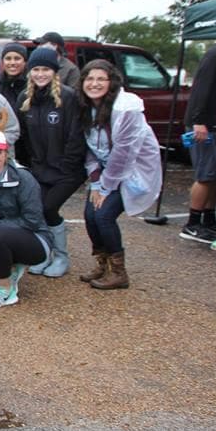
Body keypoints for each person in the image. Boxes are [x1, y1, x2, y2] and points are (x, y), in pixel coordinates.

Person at [79, 59, 161, 289]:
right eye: (90, 78)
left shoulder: (125, 108)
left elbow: (124, 152)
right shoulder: (87, 107)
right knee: (90, 214)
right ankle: (102, 264)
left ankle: (119, 272)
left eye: (101, 79)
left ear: (111, 82)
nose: (94, 83)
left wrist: (106, 186)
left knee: (103, 215)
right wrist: (96, 181)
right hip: (106, 170)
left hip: (131, 171)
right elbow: (92, 149)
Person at [17, 47, 86, 278]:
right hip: (39, 169)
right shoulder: (25, 100)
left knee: (49, 208)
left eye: (45, 69)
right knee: (36, 210)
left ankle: (61, 256)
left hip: (67, 171)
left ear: (54, 71)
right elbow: (23, 139)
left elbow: (76, 137)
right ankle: (44, 253)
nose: (40, 74)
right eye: (36, 69)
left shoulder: (67, 98)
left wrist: (66, 167)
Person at [0, 129, 52, 309]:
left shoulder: (23, 178)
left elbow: (33, 221)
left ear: (6, 153)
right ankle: (12, 266)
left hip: (36, 240)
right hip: (1, 237)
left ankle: (5, 286)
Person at [181, 43, 216, 245]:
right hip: (205, 125)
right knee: (205, 175)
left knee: (215, 175)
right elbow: (201, 87)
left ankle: (209, 219)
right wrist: (198, 120)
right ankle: (192, 223)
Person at [0, 42, 29, 163]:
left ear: (25, 61)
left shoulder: (31, 86)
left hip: (28, 149)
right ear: (2, 61)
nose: (12, 62)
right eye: (8, 58)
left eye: (17, 58)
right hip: (3, 147)